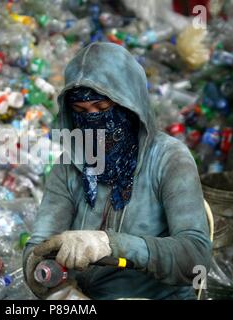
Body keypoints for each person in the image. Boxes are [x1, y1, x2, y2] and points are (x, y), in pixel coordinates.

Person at [22, 42, 212, 300]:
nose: (94, 122)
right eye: (81, 112)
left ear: (130, 106)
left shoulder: (169, 159)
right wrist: (62, 292)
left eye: (102, 109)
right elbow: (38, 246)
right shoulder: (70, 164)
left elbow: (196, 258)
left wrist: (112, 245)